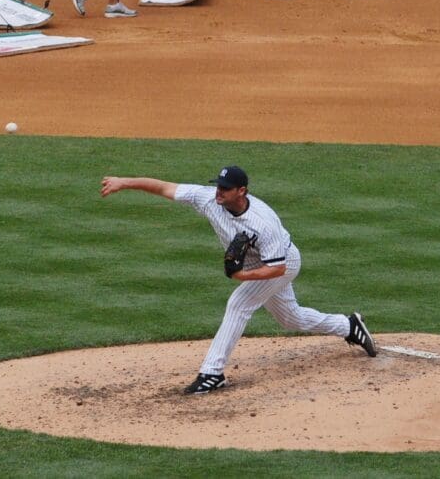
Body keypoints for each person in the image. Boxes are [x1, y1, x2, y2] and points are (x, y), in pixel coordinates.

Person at [100, 165, 377, 394]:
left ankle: (212, 373)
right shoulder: (207, 198)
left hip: (283, 263)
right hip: (264, 267)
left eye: (225, 188)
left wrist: (242, 275)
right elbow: (165, 187)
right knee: (290, 318)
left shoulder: (263, 221)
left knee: (238, 304)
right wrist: (124, 182)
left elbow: (277, 269)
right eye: (218, 186)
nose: (218, 192)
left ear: (241, 191)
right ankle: (348, 325)